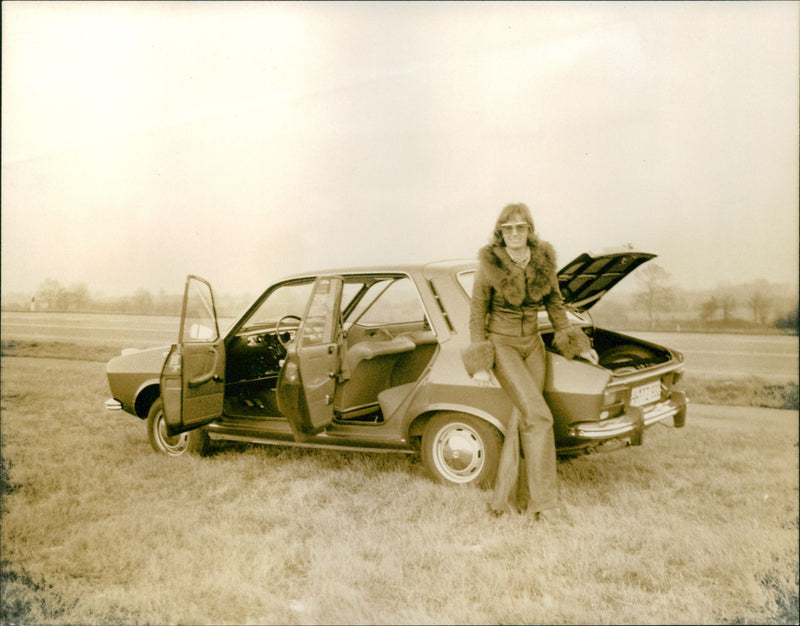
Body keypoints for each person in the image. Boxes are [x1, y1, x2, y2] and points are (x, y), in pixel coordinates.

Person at [462, 202, 598, 519]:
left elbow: (554, 304)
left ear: (529, 231)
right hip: (503, 344)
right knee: (539, 417)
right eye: (507, 229)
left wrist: (576, 345)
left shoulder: (542, 261)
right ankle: (546, 506)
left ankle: (503, 502)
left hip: (533, 346)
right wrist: (481, 360)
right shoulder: (489, 265)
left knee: (523, 419)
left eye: (520, 227)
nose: (514, 234)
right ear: (500, 233)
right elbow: (476, 314)